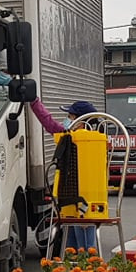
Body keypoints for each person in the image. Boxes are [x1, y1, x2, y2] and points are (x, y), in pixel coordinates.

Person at [30, 99, 99, 252]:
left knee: (85, 248)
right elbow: (48, 123)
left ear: (81, 121)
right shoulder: (71, 137)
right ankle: (76, 271)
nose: (67, 120)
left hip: (83, 202)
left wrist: (34, 102)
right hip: (74, 200)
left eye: (70, 116)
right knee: (72, 247)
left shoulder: (86, 142)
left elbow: (49, 123)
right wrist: (34, 102)